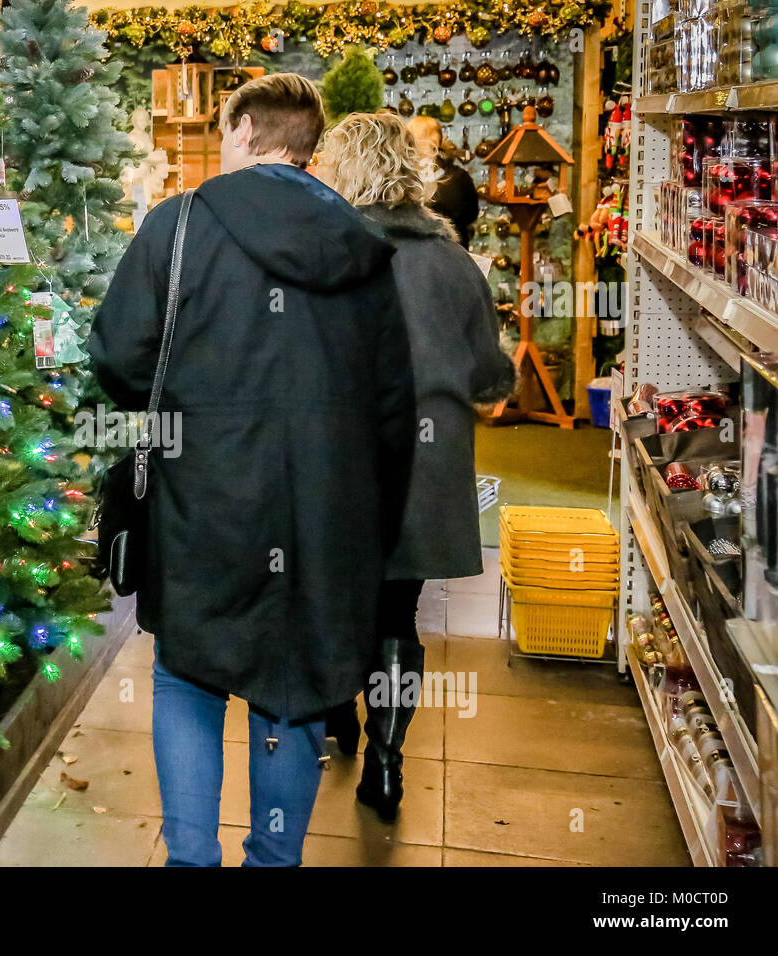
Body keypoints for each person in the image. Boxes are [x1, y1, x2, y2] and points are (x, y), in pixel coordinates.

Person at [89, 74, 416, 866]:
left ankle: (191, 858)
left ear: (239, 130)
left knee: (187, 679)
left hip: (200, 502)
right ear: (310, 146)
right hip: (325, 515)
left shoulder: (178, 226)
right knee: (295, 697)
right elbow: (395, 409)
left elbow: (118, 359)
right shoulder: (366, 249)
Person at [316, 112, 516, 821]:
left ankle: (337, 715)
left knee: (337, 600)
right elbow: (491, 381)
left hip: (335, 465)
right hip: (426, 467)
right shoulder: (453, 262)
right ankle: (388, 763)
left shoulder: (322, 256)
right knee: (399, 614)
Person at [407, 115, 479, 248]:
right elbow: (471, 214)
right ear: (439, 140)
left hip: (415, 252)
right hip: (454, 250)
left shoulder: (403, 177)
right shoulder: (459, 175)